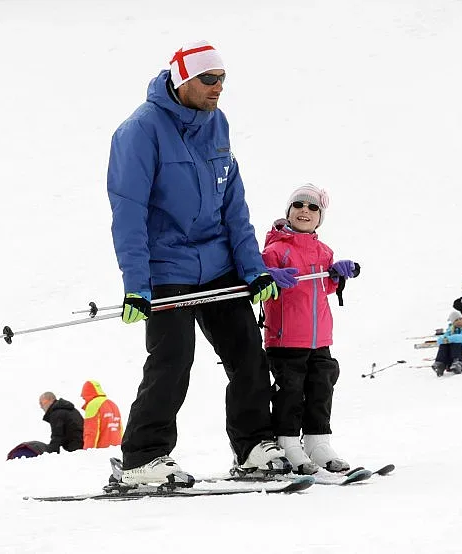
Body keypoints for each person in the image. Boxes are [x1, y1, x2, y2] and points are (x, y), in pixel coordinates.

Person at [107, 40, 288, 484]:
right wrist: (136, 284)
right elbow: (127, 212)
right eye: (208, 80)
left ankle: (253, 448)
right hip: (167, 268)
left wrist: (253, 268)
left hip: (219, 264)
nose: (218, 88)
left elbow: (234, 204)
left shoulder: (217, 123)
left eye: (223, 79)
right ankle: (142, 459)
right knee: (172, 362)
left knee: (248, 356)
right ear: (182, 80)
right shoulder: (139, 131)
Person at [260, 184, 359, 475]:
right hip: (286, 338)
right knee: (290, 392)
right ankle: (288, 443)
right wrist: (270, 277)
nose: (305, 210)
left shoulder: (323, 251)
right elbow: (261, 284)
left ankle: (318, 442)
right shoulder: (275, 250)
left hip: (319, 338)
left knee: (321, 388)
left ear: (320, 217)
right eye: (299, 205)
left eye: (313, 207)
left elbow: (324, 286)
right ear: (289, 212)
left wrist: (338, 274)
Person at [80, 380, 123, 449]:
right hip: (117, 449)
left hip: (101, 451)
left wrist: (87, 452)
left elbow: (91, 432)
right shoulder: (113, 404)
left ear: (86, 394)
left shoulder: (93, 405)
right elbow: (120, 429)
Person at [431, 311, 462, 377]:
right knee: (444, 344)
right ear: (453, 322)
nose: (459, 321)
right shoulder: (449, 331)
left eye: (460, 319)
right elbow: (440, 340)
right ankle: (440, 364)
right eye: (456, 320)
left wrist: (449, 339)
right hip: (451, 363)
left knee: (455, 342)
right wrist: (445, 339)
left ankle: (457, 362)